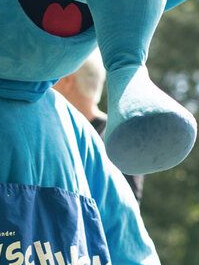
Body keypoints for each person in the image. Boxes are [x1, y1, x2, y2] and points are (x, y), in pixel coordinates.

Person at [53, 51, 145, 203]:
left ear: (67, 81)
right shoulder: (61, 132)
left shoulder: (121, 137)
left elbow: (127, 206)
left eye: (54, 78)